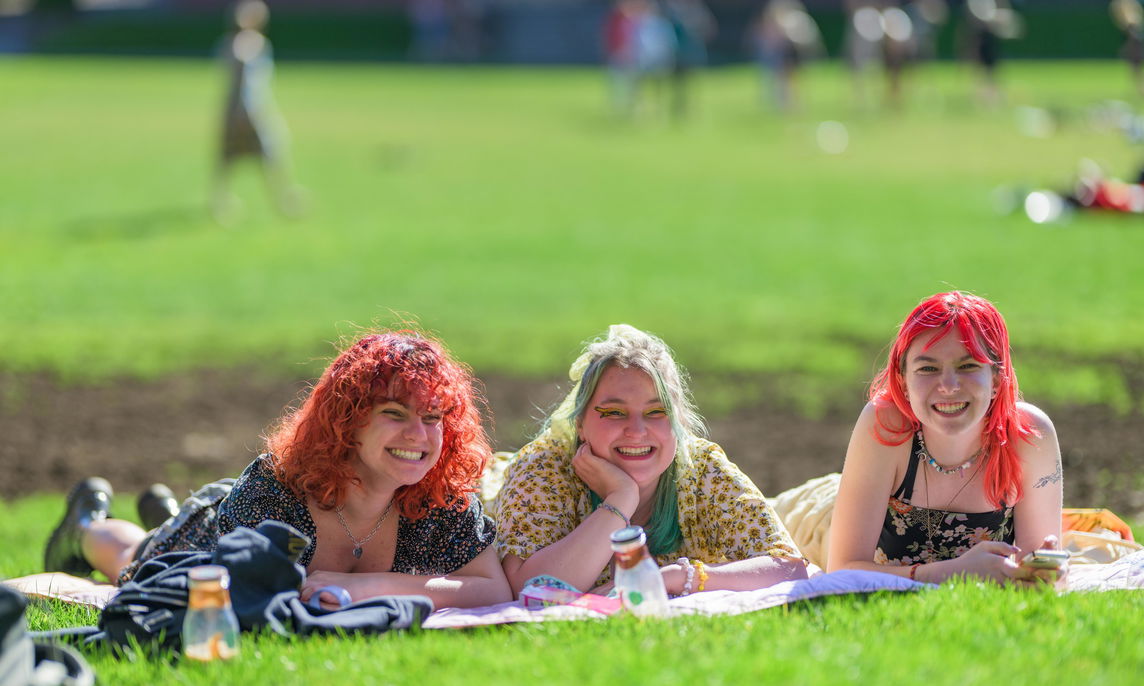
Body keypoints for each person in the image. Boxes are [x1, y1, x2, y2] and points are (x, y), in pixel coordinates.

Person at [43, 331, 512, 610]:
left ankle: (155, 511)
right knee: (132, 562)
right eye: (395, 413)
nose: (419, 435)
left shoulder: (442, 493)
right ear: (349, 418)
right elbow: (231, 594)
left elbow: (493, 589)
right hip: (209, 536)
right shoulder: (277, 486)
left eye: (433, 418)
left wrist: (367, 585)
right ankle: (84, 528)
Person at [491, 324, 806, 597]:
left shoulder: (701, 467)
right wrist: (619, 500)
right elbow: (529, 590)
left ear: (678, 422)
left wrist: (669, 578)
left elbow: (789, 570)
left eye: (657, 412)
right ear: (580, 424)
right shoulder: (543, 468)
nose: (637, 431)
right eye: (614, 412)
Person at [828, 292, 1067, 586]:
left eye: (968, 366)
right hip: (824, 512)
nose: (949, 386)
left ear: (995, 379)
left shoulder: (1029, 434)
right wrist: (954, 573)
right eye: (928, 368)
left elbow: (1036, 572)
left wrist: (1041, 573)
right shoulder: (886, 422)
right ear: (903, 382)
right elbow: (840, 571)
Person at [212, 0, 304, 223]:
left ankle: (279, 199)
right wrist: (245, 112)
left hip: (241, 108)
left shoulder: (244, 43)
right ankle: (280, 200)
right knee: (261, 154)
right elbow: (245, 83)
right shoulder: (244, 44)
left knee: (249, 157)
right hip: (246, 111)